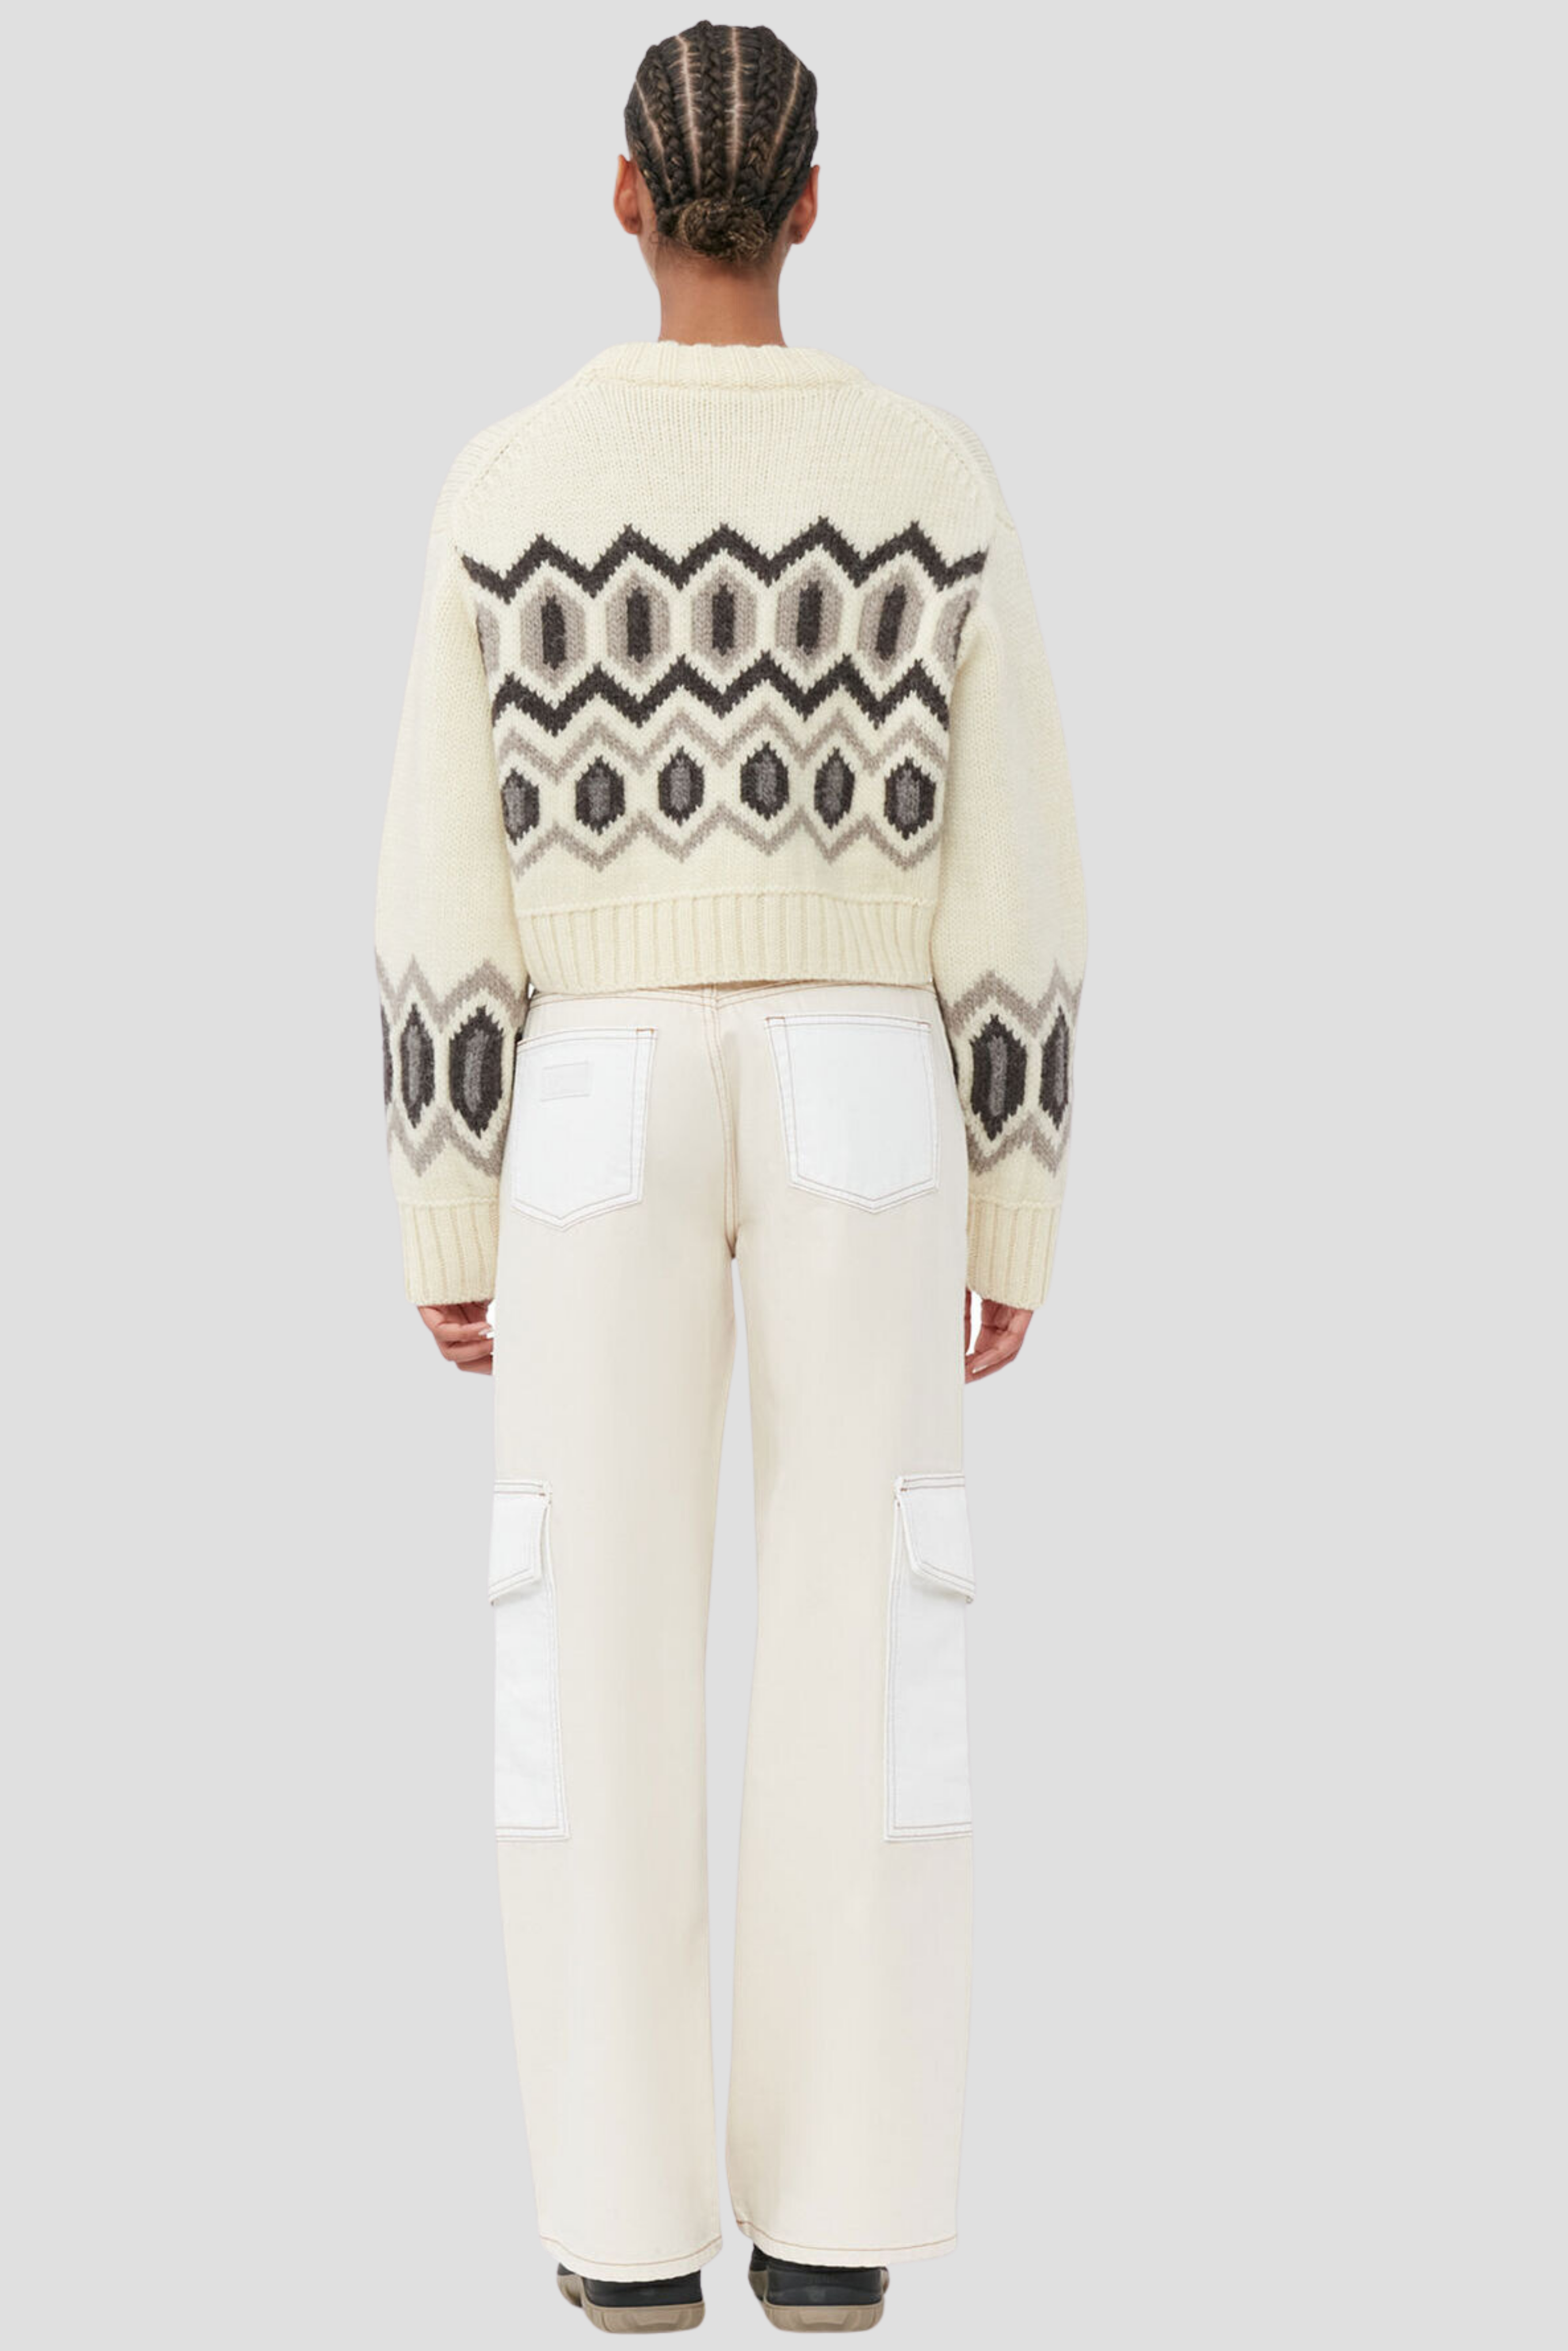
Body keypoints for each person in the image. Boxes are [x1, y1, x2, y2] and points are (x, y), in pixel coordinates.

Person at [375, 21, 1086, 2333]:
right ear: (811, 205)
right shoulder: (927, 472)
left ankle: (619, 2233)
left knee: (584, 1641)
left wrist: (447, 1193)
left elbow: (436, 874)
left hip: (587, 1091)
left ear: (621, 198)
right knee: (872, 1628)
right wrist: (1015, 1191)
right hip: (871, 1080)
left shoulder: (510, 479)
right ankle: (834, 2224)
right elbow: (1016, 870)